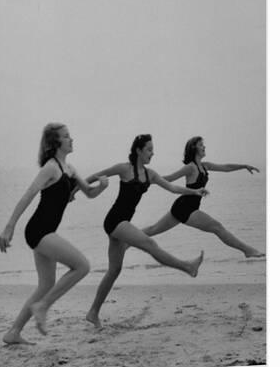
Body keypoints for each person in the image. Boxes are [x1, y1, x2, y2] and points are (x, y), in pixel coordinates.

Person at [0, 123, 108, 343]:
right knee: (82, 266)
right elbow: (28, 196)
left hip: (46, 231)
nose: (71, 139)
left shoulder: (70, 169)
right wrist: (9, 227)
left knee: (46, 285)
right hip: (39, 230)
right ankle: (43, 307)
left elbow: (89, 193)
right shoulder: (51, 167)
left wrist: (102, 186)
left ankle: (13, 332)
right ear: (56, 142)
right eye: (67, 136)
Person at [83, 134, 208, 329]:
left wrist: (194, 192)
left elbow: (173, 188)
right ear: (138, 151)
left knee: (114, 270)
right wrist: (74, 191)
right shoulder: (124, 169)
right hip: (115, 221)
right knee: (150, 244)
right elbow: (95, 176)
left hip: (121, 223)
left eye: (153, 149)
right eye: (149, 149)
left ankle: (93, 312)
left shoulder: (150, 175)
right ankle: (187, 267)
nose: (152, 153)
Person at [141, 136, 264, 258]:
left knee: (153, 229)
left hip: (185, 207)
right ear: (194, 148)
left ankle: (126, 239)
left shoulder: (205, 166)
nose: (204, 146)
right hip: (186, 207)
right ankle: (248, 251)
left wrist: (243, 166)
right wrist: (146, 181)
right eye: (201, 145)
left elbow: (226, 168)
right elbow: (169, 178)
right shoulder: (190, 167)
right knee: (217, 227)